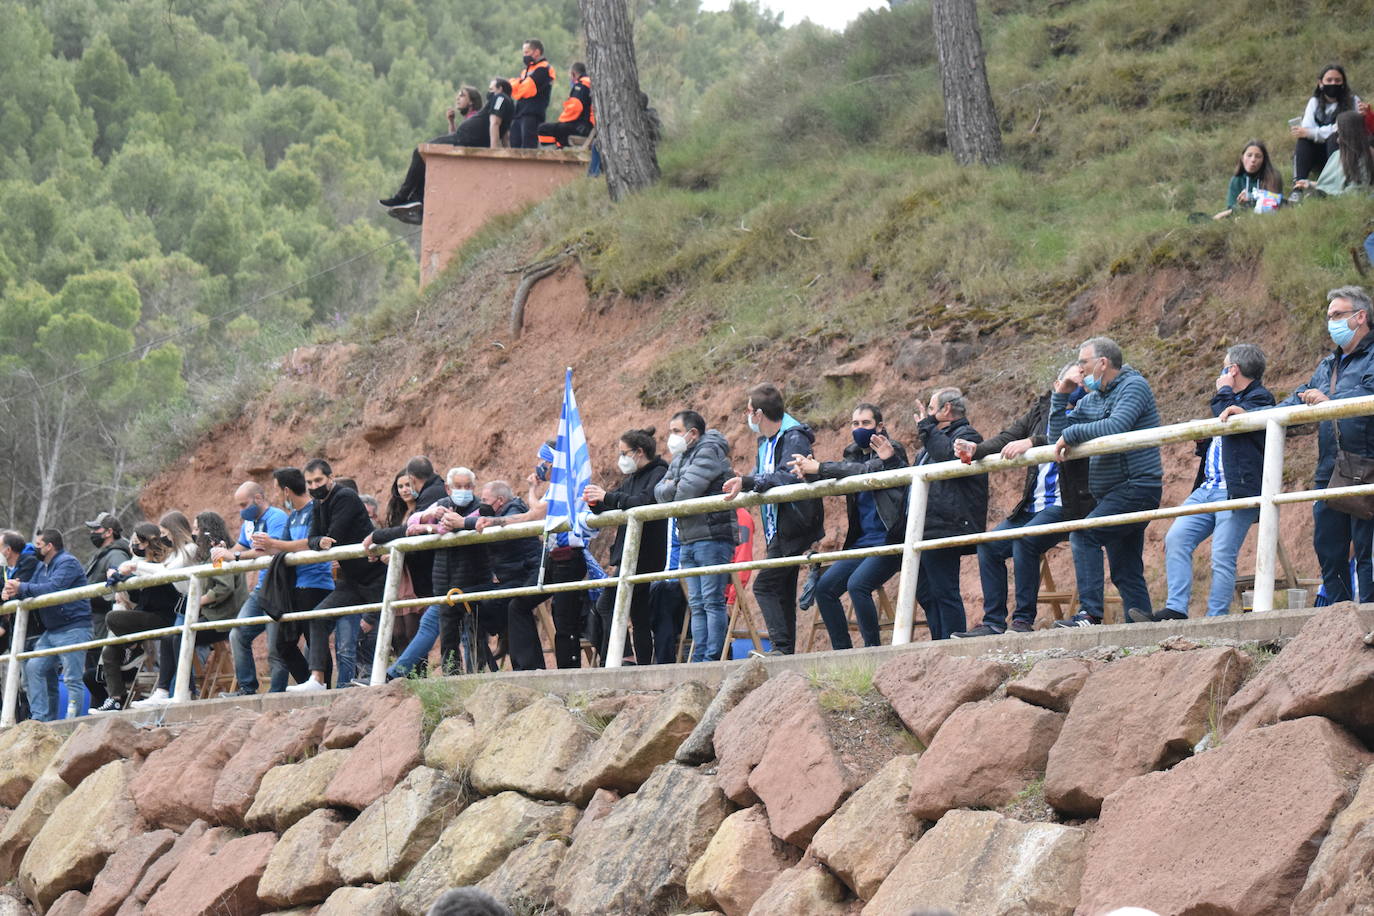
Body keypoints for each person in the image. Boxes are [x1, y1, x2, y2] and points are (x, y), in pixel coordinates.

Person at [1241, 287, 1374, 604]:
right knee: (1329, 548)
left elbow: (1367, 397)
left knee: (1368, 549)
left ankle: (1369, 616)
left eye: (1338, 315)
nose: (1331, 322)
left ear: (1360, 317)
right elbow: (1294, 403)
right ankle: (1339, 622)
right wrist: (1250, 414)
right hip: (1331, 469)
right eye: (1329, 317)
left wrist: (1331, 402)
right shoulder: (1328, 364)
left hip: (1368, 464)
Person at [1131, 345, 1275, 622]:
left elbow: (1230, 419)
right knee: (1176, 539)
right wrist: (1204, 441)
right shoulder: (1229, 398)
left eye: (1224, 366)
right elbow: (1228, 440)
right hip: (1207, 488)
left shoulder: (1259, 397)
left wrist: (1224, 391)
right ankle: (1176, 610)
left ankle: (1216, 618)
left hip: (1236, 489)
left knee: (1222, 554)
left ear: (1233, 370)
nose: (1220, 373)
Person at [951, 367, 1094, 638]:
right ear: (1057, 384)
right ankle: (993, 622)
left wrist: (1033, 441)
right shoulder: (1041, 408)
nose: (1076, 385)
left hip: (1068, 503)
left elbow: (1073, 435)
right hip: (1032, 504)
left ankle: (1022, 620)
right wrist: (977, 450)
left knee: (1024, 540)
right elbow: (1009, 436)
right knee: (989, 546)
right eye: (1070, 381)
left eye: (1080, 381)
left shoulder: (1090, 405)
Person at [1050, 337, 1163, 627]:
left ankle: (1090, 614)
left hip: (1136, 487)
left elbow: (1116, 427)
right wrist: (1062, 393)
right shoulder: (1092, 399)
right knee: (1125, 569)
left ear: (1102, 363)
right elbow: (1055, 437)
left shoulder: (1134, 386)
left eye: (1083, 362)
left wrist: (1073, 435)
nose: (1079, 368)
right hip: (1112, 493)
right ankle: (1142, 626)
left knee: (1084, 535)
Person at [792, 403, 909, 650]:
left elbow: (865, 471)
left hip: (891, 540)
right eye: (855, 424)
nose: (859, 428)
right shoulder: (852, 453)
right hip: (862, 543)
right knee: (824, 589)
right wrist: (810, 472)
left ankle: (872, 650)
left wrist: (821, 467)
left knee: (858, 585)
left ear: (880, 426)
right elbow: (843, 471)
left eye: (865, 423)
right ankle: (842, 652)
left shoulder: (892, 450)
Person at [475, 442, 600, 670]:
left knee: (564, 619)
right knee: (519, 605)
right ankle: (529, 666)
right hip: (553, 557)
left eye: (544, 462)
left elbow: (534, 514)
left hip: (569, 557)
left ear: (553, 463)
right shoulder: (555, 487)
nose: (541, 466)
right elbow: (535, 512)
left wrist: (530, 491)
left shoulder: (565, 485)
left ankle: (568, 672)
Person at [723, 384, 824, 655]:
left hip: (793, 524)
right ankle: (786, 651)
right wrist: (744, 481)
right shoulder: (765, 441)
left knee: (765, 585)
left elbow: (789, 475)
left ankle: (780, 648)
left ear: (757, 413)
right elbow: (762, 475)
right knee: (782, 588)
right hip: (776, 527)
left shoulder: (793, 436)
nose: (746, 417)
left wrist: (748, 481)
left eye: (747, 411)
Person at [224, 466, 336, 696]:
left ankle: (324, 688)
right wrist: (270, 546)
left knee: (314, 640)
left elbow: (310, 542)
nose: (275, 496)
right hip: (293, 585)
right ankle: (311, 683)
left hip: (316, 583)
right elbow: (278, 549)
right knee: (283, 644)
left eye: (277, 490)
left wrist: (273, 545)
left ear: (286, 491)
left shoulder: (315, 509)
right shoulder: (293, 516)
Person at [380, 466, 491, 675]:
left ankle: (475, 678)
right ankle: (451, 678)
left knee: (473, 633)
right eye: (458, 486)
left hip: (474, 579)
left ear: (474, 487)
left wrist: (432, 528)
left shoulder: (481, 507)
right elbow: (413, 522)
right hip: (443, 582)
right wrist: (428, 518)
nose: (464, 490)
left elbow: (468, 523)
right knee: (448, 637)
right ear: (448, 488)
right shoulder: (441, 505)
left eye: (468, 486)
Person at [286, 458, 383, 691]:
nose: (314, 485)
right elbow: (314, 538)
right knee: (318, 617)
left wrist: (321, 539)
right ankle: (317, 681)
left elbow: (334, 534)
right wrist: (320, 541)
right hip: (351, 579)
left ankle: (401, 678)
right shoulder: (319, 503)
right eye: (309, 482)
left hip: (376, 575)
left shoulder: (345, 497)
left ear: (331, 478)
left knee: (396, 630)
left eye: (318, 480)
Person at [655, 410, 737, 662]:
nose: (672, 437)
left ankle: (712, 658)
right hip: (689, 537)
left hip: (712, 536)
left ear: (693, 433)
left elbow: (685, 492)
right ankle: (699, 658)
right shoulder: (681, 457)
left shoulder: (709, 449)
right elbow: (659, 492)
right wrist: (674, 486)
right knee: (698, 603)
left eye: (676, 431)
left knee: (712, 602)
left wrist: (674, 486)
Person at [585, 427, 670, 665]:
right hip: (628, 554)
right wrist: (595, 502)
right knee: (638, 613)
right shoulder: (632, 478)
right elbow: (613, 501)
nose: (621, 459)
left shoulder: (660, 472)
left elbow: (642, 502)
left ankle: (625, 657)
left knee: (608, 604)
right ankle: (640, 662)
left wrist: (607, 498)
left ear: (639, 452)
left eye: (624, 453)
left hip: (644, 553)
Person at [910, 389, 988, 640]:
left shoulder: (966, 435)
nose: (927, 417)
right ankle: (939, 642)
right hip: (926, 525)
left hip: (947, 523)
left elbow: (948, 457)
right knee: (925, 591)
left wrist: (926, 428)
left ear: (946, 410)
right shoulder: (934, 438)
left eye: (931, 410)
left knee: (945, 590)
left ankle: (950, 645)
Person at [1, 529, 91, 721]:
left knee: (72, 679)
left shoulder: (68, 562)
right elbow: (30, 589)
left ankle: (72, 722)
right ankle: (41, 720)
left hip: (74, 627)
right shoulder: (44, 566)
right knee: (34, 668)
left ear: (49, 546)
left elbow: (53, 588)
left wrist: (22, 587)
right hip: (52, 631)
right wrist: (12, 590)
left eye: (39, 545)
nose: (34, 549)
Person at [93, 523, 183, 713]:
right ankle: (116, 698)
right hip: (146, 615)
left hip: (164, 617)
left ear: (148, 542)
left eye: (138, 543)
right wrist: (122, 582)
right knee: (109, 652)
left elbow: (166, 584)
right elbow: (140, 598)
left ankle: (134, 647)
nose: (135, 547)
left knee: (112, 618)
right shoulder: (142, 564)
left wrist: (133, 570)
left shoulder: (165, 562)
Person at [217, 481, 293, 697]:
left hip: (279, 589)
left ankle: (277, 694)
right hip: (261, 590)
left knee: (275, 648)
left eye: (244, 505)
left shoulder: (277, 517)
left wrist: (236, 556)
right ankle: (247, 689)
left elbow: (273, 549)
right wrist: (224, 553)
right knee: (238, 634)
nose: (241, 511)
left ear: (258, 498)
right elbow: (241, 546)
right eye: (239, 506)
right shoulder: (249, 523)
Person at [127, 511, 199, 708]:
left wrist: (134, 566)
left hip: (194, 602)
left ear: (174, 531)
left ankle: (187, 690)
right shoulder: (176, 553)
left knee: (175, 639)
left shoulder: (191, 549)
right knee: (170, 639)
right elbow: (160, 569)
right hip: (183, 604)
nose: (164, 537)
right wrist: (136, 566)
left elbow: (167, 572)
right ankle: (163, 690)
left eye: (166, 532)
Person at [380, 86, 486, 211]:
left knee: (420, 152)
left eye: (462, 95)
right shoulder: (470, 120)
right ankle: (416, 198)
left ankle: (403, 196)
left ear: (471, 102)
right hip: (461, 146)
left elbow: (458, 140)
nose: (458, 98)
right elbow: (455, 138)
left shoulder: (475, 118)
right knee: (426, 158)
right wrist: (451, 122)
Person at [1291, 64, 1360, 187]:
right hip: (1319, 153)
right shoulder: (1314, 102)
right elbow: (1306, 128)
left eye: (1337, 80)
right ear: (1320, 83)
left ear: (1343, 83)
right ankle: (1298, 184)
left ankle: (1333, 182)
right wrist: (1309, 133)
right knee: (1303, 141)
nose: (1333, 83)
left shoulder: (1353, 102)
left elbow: (1342, 129)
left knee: (1335, 137)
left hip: (1343, 152)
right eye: (1329, 80)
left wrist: (1313, 133)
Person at [82, 514, 131, 670]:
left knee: (98, 671)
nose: (92, 533)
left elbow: (120, 583)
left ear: (109, 532)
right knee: (92, 671)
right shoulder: (104, 554)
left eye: (96, 529)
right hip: (95, 621)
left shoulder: (116, 554)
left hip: (104, 622)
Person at [1296, 111, 1374, 197]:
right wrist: (1310, 184)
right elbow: (1330, 185)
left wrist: (1325, 194)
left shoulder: (1363, 159)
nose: (1337, 138)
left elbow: (1356, 191)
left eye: (1339, 133)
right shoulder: (1337, 155)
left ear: (1348, 134)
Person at [1214, 140, 1284, 219]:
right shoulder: (1236, 180)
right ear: (1242, 158)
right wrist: (1240, 205)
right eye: (1249, 155)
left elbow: (1273, 205)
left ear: (1264, 160)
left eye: (1258, 156)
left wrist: (1250, 200)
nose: (1253, 160)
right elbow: (1231, 210)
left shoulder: (1273, 177)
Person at [509, 40, 555, 148]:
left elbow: (527, 89)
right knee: (514, 145)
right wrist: (518, 85)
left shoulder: (544, 68)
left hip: (532, 114)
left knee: (528, 148)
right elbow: (512, 89)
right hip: (519, 113)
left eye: (526, 52)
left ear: (536, 52)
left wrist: (517, 84)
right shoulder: (526, 71)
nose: (524, 56)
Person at [538, 62, 594, 148]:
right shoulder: (590, 83)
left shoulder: (581, 85)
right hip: (588, 126)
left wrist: (561, 121)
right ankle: (559, 144)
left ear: (573, 74)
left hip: (583, 128)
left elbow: (575, 107)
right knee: (560, 130)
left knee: (543, 129)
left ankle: (557, 146)